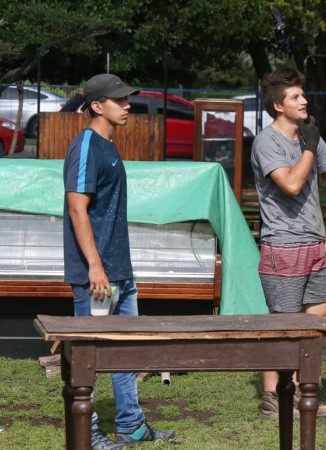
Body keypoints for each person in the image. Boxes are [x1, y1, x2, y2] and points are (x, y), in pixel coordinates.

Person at [63, 73, 176, 449]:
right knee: (90, 354)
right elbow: (77, 209)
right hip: (97, 277)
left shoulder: (109, 145)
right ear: (97, 105)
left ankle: (132, 426)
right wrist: (95, 266)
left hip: (120, 273)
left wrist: (116, 269)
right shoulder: (86, 147)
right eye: (119, 100)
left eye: (128, 99)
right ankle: (89, 433)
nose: (128, 105)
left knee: (127, 351)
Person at [251, 68, 326, 419]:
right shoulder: (267, 142)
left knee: (319, 316)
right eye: (295, 96)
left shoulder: (309, 136)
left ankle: (300, 392)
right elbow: (291, 184)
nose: (304, 100)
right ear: (279, 105)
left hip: (315, 245)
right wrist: (309, 149)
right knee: (282, 324)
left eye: (303, 94)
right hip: (283, 246)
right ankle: (272, 398)